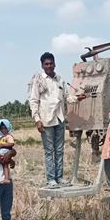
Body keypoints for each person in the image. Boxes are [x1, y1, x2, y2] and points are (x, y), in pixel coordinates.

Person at [28, 52, 86, 188]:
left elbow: (67, 97)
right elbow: (33, 101)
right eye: (46, 64)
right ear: (42, 65)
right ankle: (51, 179)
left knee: (59, 150)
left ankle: (59, 177)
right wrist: (37, 119)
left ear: (55, 64)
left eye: (51, 63)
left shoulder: (59, 79)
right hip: (46, 119)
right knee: (49, 151)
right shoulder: (38, 80)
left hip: (59, 118)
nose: (49, 66)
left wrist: (78, 98)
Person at [0, 118, 16, 184]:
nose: (3, 130)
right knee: (5, 165)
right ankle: (6, 178)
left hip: (5, 151)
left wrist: (3, 145)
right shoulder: (0, 136)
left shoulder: (8, 136)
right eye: (2, 128)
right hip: (3, 151)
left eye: (5, 128)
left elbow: (12, 143)